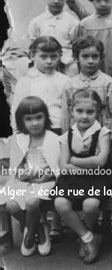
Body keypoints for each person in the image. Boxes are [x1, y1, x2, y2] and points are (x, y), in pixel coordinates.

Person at [54, 89, 112, 264]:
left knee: (90, 204)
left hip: (98, 178)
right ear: (71, 111)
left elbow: (101, 161)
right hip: (73, 179)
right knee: (60, 202)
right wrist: (87, 164)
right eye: (79, 111)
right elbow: (63, 166)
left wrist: (73, 160)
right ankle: (88, 237)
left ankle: (89, 230)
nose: (84, 116)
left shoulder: (103, 133)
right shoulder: (66, 136)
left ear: (98, 112)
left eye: (90, 112)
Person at [0, 96, 60, 256]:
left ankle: (30, 237)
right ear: (21, 121)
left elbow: (57, 167)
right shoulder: (18, 139)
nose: (34, 123)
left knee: (32, 202)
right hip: (23, 180)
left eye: (38, 117)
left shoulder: (53, 139)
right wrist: (24, 175)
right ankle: (40, 229)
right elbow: (14, 167)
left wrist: (43, 176)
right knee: (11, 205)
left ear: (45, 117)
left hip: (46, 181)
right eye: (29, 119)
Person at [62, 35, 112, 140]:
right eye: (85, 56)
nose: (90, 61)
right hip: (77, 136)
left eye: (95, 56)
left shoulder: (108, 83)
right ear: (76, 58)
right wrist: (66, 137)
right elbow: (65, 114)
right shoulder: (70, 85)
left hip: (102, 136)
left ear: (101, 57)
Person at [11, 36, 69, 135]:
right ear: (32, 56)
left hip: (57, 128)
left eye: (54, 57)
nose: (49, 61)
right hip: (32, 128)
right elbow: (16, 108)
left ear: (60, 56)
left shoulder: (65, 81)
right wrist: (17, 131)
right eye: (43, 57)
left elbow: (69, 110)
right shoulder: (25, 81)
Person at [28, 0, 79, 77]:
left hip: (67, 67)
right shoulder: (36, 22)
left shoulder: (73, 22)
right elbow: (33, 48)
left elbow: (77, 48)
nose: (56, 1)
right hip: (44, 65)